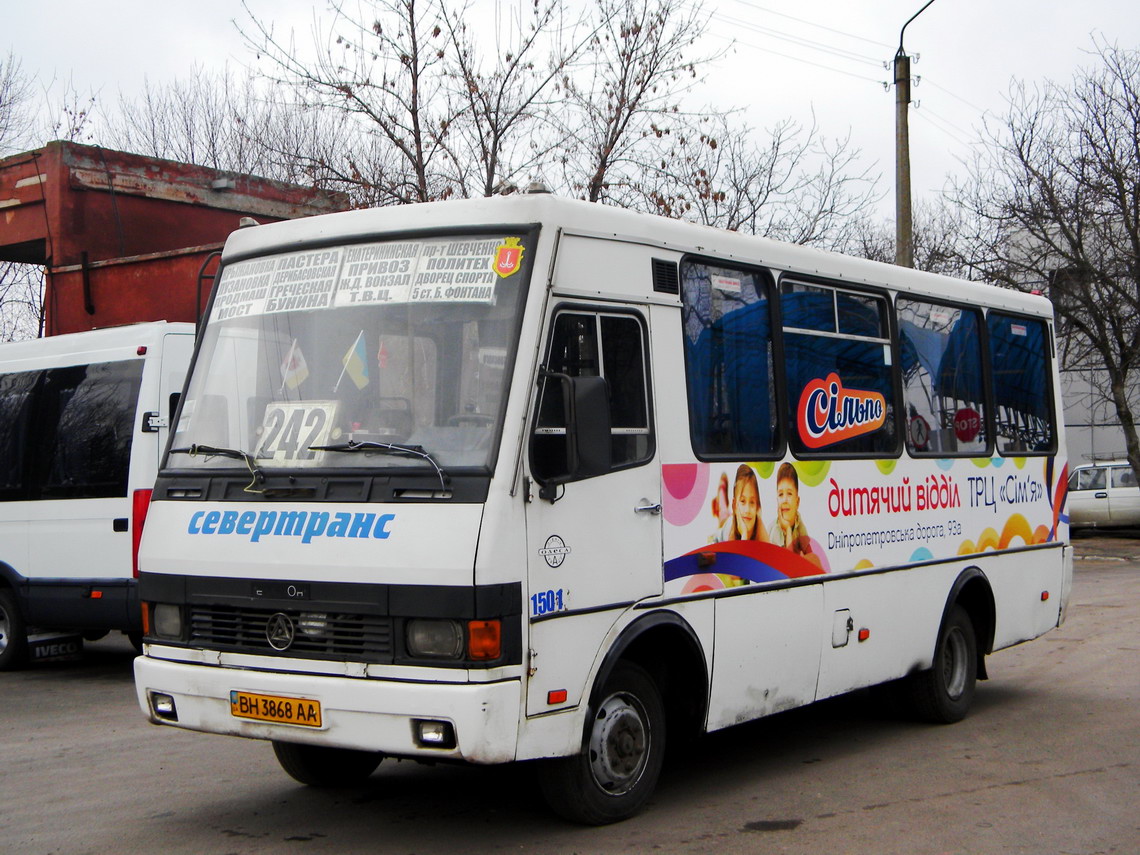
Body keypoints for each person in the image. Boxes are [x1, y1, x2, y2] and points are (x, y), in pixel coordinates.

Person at [769, 462, 822, 567]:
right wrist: (788, 529)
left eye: (789, 494)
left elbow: (810, 554)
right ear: (777, 500)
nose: (784, 500)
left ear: (797, 502)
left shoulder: (798, 521)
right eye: (780, 494)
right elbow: (788, 565)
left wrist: (805, 558)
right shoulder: (775, 530)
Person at [718, 464, 769, 542]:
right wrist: (744, 534)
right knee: (723, 514)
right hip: (722, 533)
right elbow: (737, 554)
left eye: (752, 502)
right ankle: (722, 490)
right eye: (742, 501)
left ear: (757, 507)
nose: (747, 510)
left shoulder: (762, 534)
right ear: (734, 506)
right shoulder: (729, 533)